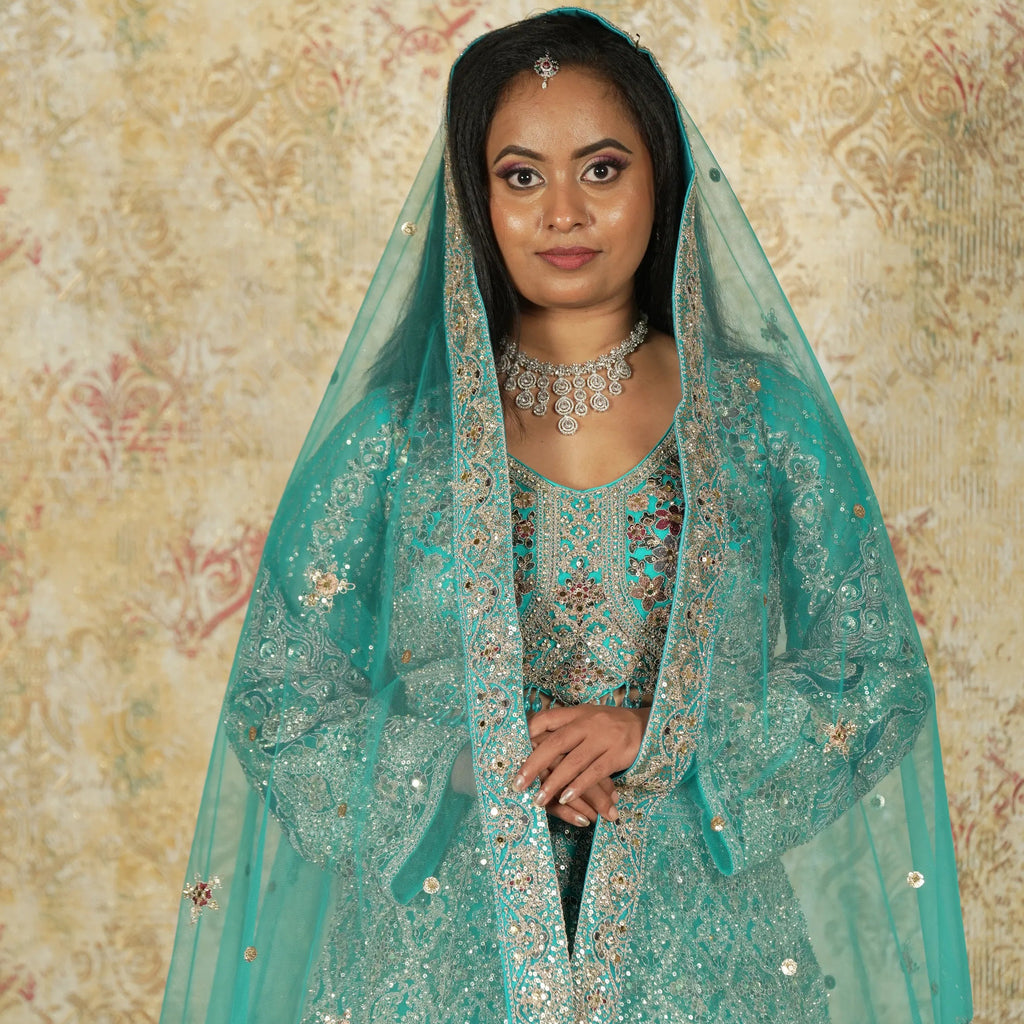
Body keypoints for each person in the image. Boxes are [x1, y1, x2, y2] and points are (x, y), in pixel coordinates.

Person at [160, 9, 973, 1024]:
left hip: (702, 968)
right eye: (520, 176)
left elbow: (876, 674)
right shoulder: (397, 441)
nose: (563, 213)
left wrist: (661, 738)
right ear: (475, 197)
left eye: (600, 169)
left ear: (660, 178)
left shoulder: (761, 424)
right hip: (432, 972)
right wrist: (467, 764)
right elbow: (276, 698)